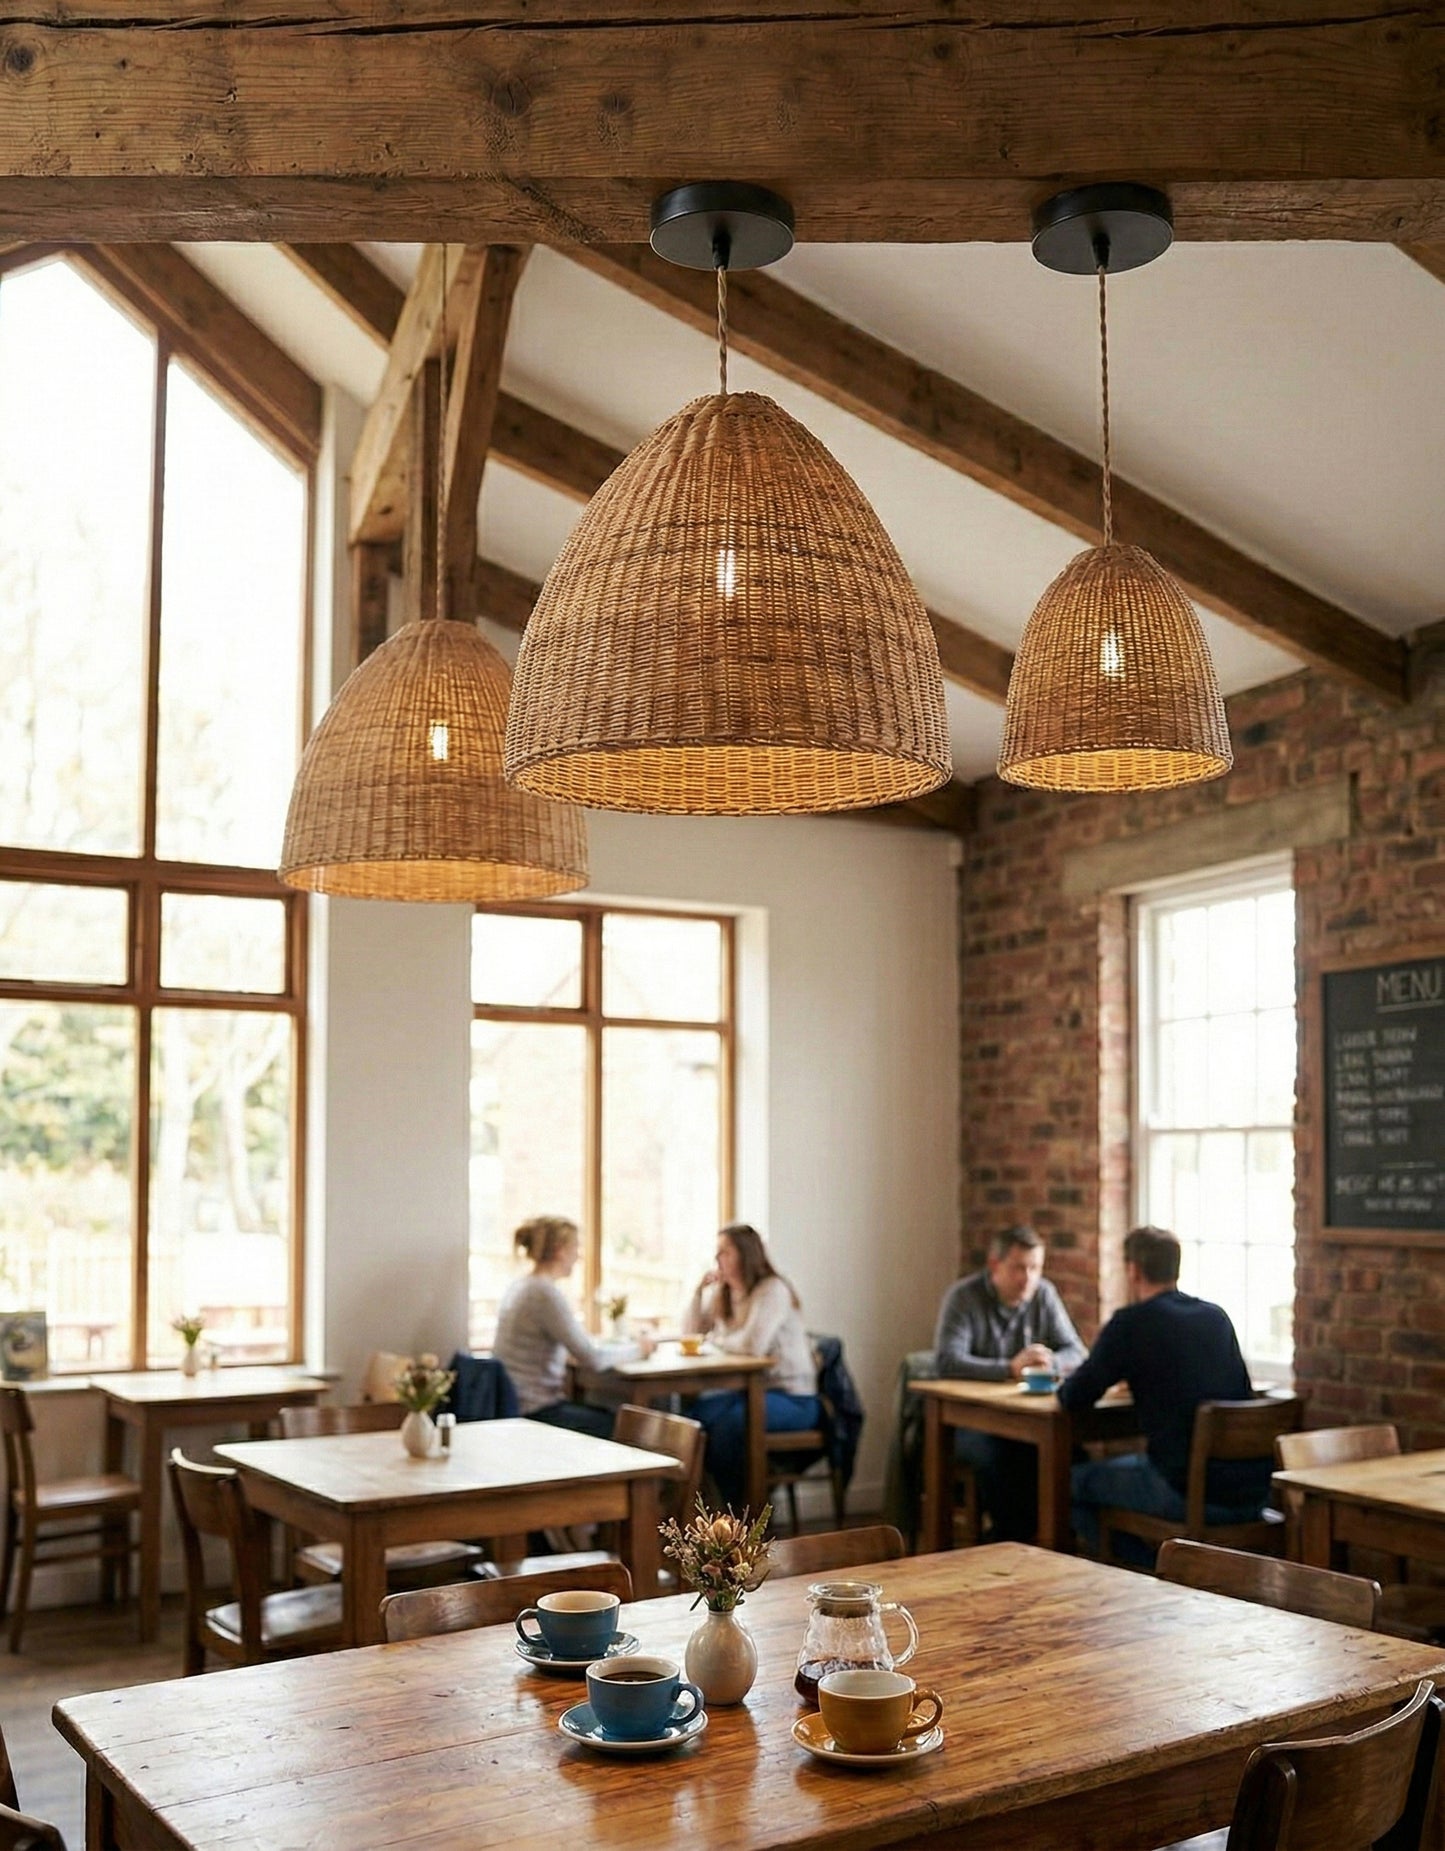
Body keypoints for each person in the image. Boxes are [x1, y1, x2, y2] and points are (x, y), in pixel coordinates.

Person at [1057, 1225, 1267, 1564]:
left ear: (1133, 1270)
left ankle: (1147, 1572)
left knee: (1066, 1482)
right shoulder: (1216, 1317)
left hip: (1186, 1492)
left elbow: (1074, 1397)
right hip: (1253, 1493)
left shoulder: (1132, 1323)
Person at [932, 1224, 1087, 1541]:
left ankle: (1053, 1540)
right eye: (1019, 1268)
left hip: (1026, 1414)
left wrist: (1051, 1360)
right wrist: (1010, 1368)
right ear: (994, 1266)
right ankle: (1011, 1539)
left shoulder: (1043, 1294)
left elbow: (1077, 1351)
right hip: (971, 1420)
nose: (1027, 1278)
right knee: (1001, 1455)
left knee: (1072, 1450)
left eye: (1034, 1268)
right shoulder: (964, 1297)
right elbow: (947, 1361)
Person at [683, 1223, 821, 1512]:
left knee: (730, 1426)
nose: (717, 1258)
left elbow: (752, 1345)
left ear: (745, 1255)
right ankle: (710, 1509)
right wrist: (698, 1293)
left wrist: (718, 1340)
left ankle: (743, 1514)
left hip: (793, 1397)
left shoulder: (773, 1290)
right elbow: (691, 1333)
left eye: (725, 1252)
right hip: (750, 1393)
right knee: (694, 1419)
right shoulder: (727, 1293)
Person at [493, 1215, 651, 1439]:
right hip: (535, 1412)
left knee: (599, 1411)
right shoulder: (543, 1293)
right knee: (624, 1425)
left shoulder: (522, 1286)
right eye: (576, 1247)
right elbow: (593, 1358)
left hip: (516, 1404)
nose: (579, 1256)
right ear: (560, 1250)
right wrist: (640, 1350)